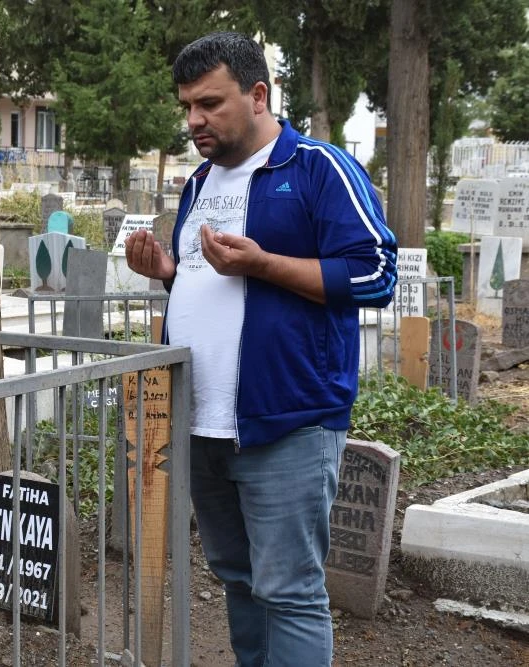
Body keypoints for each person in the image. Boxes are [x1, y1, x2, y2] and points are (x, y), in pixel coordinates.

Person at [125, 32, 398, 666]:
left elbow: (375, 273)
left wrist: (267, 264)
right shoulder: (200, 181)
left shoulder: (316, 169)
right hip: (203, 423)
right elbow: (209, 281)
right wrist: (170, 271)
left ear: (257, 94)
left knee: (290, 590)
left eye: (211, 103)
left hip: (288, 423)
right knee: (237, 577)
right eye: (188, 106)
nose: (195, 120)